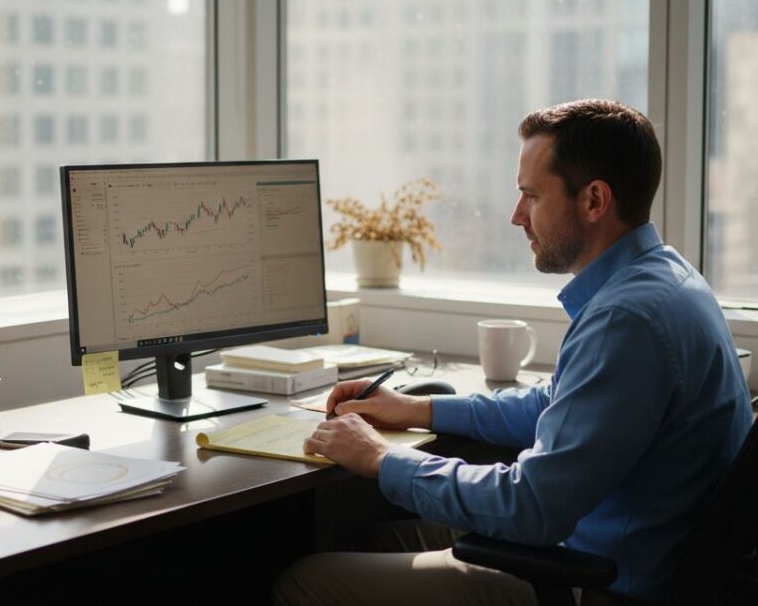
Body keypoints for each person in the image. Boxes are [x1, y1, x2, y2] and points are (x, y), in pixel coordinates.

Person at [273, 99, 752, 606]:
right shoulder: (666, 279)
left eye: (531, 196)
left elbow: (532, 506)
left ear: (594, 201)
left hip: (596, 582)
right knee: (380, 539)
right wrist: (419, 408)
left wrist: (379, 458)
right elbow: (559, 402)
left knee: (304, 582)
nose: (515, 215)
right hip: (620, 551)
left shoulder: (626, 319)